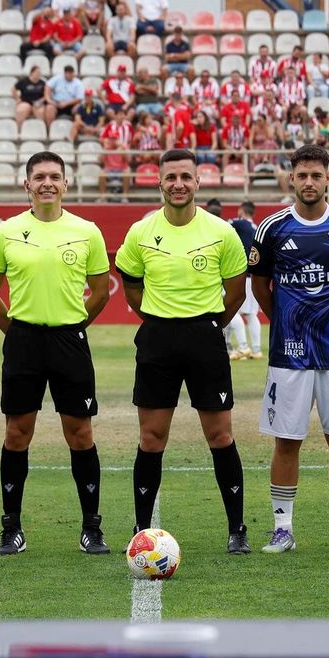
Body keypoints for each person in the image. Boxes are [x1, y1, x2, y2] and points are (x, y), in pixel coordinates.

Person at [114, 149, 251, 552]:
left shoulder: (221, 232)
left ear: (197, 182)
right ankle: (141, 531)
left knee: (220, 435)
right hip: (157, 339)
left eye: (186, 177)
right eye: (170, 177)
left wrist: (206, 328)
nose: (178, 184)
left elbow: (237, 292)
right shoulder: (141, 232)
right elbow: (132, 287)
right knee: (152, 438)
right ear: (159, 182)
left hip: (205, 338)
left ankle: (237, 529)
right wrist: (159, 321)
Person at [0, 152, 113, 555]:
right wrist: (17, 332)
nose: (47, 183)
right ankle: (11, 528)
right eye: (39, 177)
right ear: (27, 185)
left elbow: (102, 291)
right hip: (24, 343)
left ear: (66, 184)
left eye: (55, 176)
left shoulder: (87, 231)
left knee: (81, 434)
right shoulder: (6, 232)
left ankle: (92, 527)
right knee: (17, 434)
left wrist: (72, 327)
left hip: (69, 341)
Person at [247, 145, 329, 554]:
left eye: (316, 176)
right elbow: (260, 287)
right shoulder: (271, 229)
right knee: (287, 440)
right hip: (289, 356)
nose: (308, 183)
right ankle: (282, 529)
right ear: (291, 179)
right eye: (301, 175)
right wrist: (286, 321)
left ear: (328, 178)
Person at [209, 200, 262, 360]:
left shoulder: (239, 223)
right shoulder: (256, 227)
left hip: (239, 274)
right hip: (253, 276)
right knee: (252, 314)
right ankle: (256, 349)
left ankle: (243, 347)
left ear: (241, 210)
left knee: (233, 310)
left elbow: (220, 224)